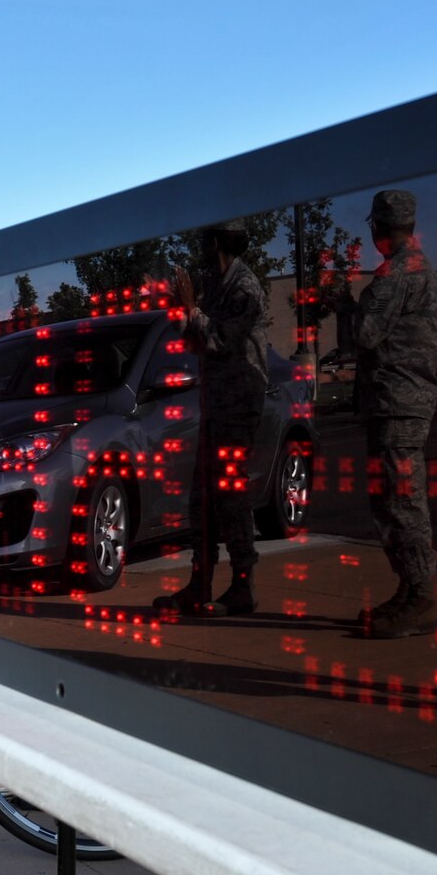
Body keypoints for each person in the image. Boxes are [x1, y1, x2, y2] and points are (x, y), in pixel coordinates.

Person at [155, 221, 270, 618]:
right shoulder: (213, 283)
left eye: (204, 238)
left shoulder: (245, 287)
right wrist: (181, 311)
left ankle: (243, 587)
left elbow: (222, 340)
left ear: (217, 241)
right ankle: (199, 583)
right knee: (202, 498)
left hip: (238, 402)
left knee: (231, 496)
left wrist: (193, 309)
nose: (199, 245)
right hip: (216, 403)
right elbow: (194, 341)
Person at [352, 190, 437, 639]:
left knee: (400, 501)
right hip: (405, 400)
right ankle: (411, 590)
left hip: (396, 402)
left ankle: (421, 595)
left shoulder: (396, 273)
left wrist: (348, 307)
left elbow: (368, 332)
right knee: (397, 498)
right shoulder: (423, 267)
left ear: (379, 227)